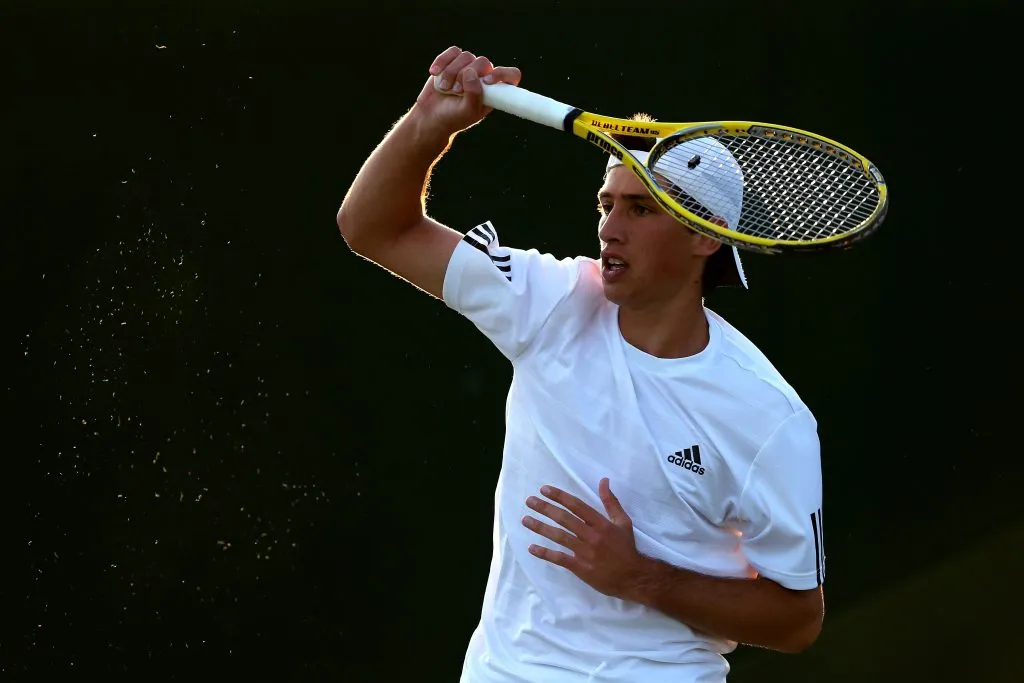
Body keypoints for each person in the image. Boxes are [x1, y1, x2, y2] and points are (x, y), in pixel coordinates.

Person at [337, 46, 826, 683]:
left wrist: (642, 578)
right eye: (606, 204)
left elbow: (797, 620)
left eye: (640, 209)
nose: (609, 228)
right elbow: (373, 227)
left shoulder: (769, 418)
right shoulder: (552, 299)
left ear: (706, 237)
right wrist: (430, 125)